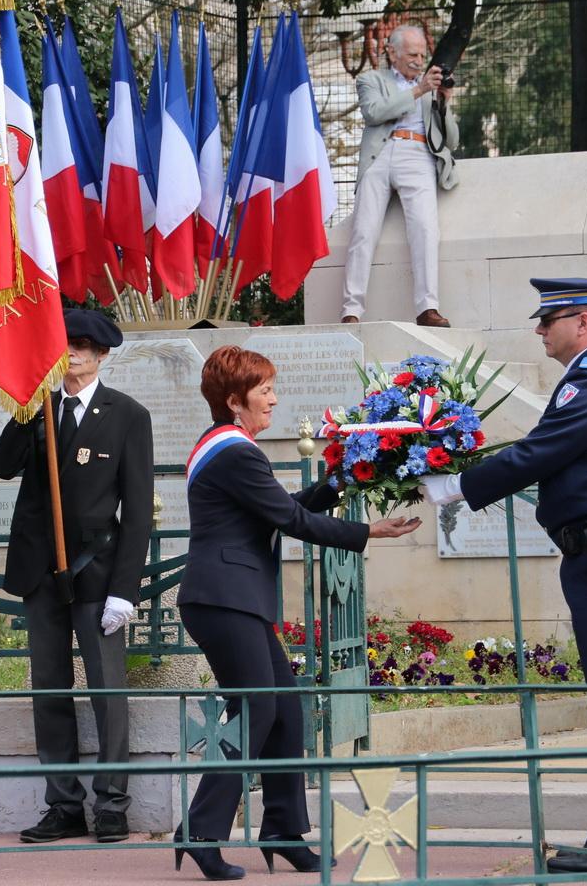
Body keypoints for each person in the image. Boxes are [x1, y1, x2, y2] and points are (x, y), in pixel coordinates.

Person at [421, 278, 587, 873]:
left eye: (547, 319)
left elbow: (539, 453)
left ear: (582, 322)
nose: (538, 330)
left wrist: (455, 486)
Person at [175, 345, 421, 881]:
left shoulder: (228, 447)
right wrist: (367, 531)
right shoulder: (235, 452)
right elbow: (289, 519)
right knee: (259, 710)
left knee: (286, 710)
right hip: (223, 598)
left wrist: (341, 477)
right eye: (265, 391)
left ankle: (284, 831)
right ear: (235, 401)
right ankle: (201, 831)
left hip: (233, 598)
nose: (275, 399)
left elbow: (281, 508)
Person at [0, 308, 154, 846]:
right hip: (41, 571)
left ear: (102, 354)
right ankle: (63, 804)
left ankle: (111, 803)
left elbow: (136, 510)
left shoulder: (127, 415)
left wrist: (124, 591)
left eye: (82, 345)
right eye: (65, 344)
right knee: (50, 690)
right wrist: (25, 409)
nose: (73, 354)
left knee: (108, 692)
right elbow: (1, 466)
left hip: (97, 572)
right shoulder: (38, 408)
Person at [341, 24, 459, 329]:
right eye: (412, 54)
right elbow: (375, 112)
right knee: (363, 232)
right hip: (380, 154)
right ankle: (351, 309)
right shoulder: (371, 79)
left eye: (422, 55)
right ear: (392, 52)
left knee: (425, 230)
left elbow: (453, 141)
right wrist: (419, 90)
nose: (419, 61)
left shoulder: (429, 87)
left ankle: (428, 308)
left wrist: (444, 101)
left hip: (418, 155)